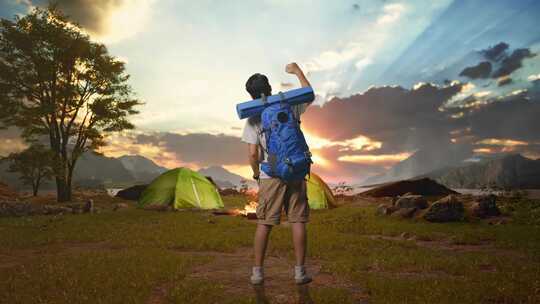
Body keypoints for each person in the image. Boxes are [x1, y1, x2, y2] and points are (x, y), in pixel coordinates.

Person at [241, 62, 313, 285]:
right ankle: (300, 272)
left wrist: (255, 174)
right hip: (296, 169)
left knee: (265, 223)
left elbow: (253, 154)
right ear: (270, 88)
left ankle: (257, 273)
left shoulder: (253, 118)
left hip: (271, 173)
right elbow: (309, 94)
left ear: (251, 95)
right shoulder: (289, 107)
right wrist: (297, 72)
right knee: (298, 221)